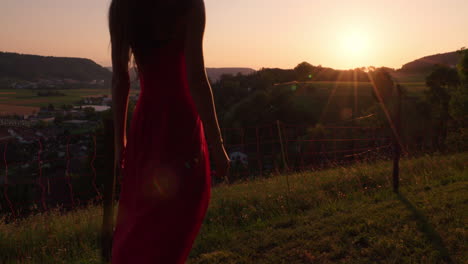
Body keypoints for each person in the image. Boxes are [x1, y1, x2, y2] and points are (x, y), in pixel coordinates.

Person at [108, 0, 230, 263]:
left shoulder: (122, 6)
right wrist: (217, 144)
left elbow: (120, 80)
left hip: (147, 124)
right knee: (179, 215)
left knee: (143, 214)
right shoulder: (189, 4)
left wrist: (121, 142)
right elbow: (196, 78)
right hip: (182, 122)